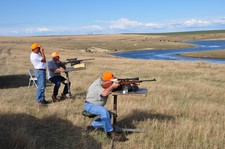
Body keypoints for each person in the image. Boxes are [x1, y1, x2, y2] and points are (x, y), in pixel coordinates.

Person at [84, 71, 121, 140]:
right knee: (104, 111)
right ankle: (110, 133)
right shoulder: (97, 85)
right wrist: (112, 86)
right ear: (105, 81)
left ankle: (92, 126)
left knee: (108, 115)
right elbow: (104, 93)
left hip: (95, 105)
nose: (112, 83)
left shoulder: (103, 82)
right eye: (111, 81)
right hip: (89, 105)